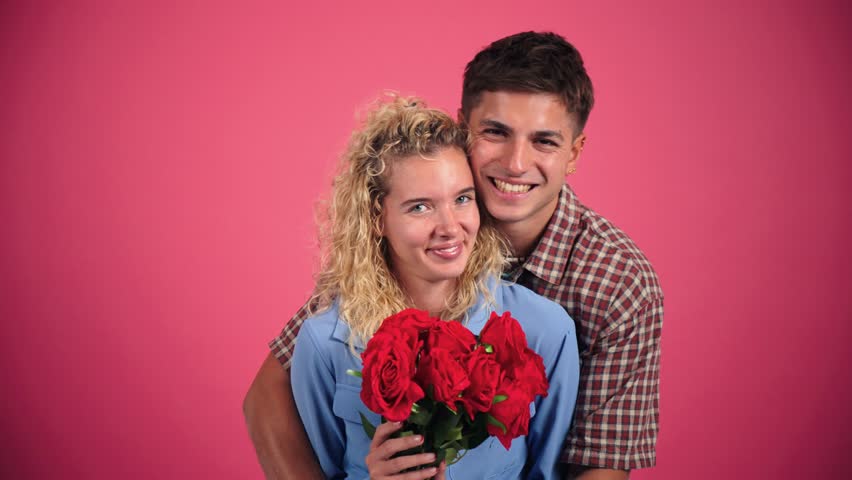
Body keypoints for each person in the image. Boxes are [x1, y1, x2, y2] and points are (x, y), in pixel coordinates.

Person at [244, 31, 663, 480]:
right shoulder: (423, 213)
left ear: (574, 152)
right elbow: (272, 389)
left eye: (544, 141)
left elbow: (601, 465)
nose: (516, 163)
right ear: (465, 129)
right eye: (495, 132)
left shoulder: (617, 281)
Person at [287, 96, 579, 479]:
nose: (449, 227)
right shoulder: (324, 342)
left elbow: (549, 472)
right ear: (378, 218)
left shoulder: (545, 329)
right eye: (419, 207)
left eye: (462, 199)